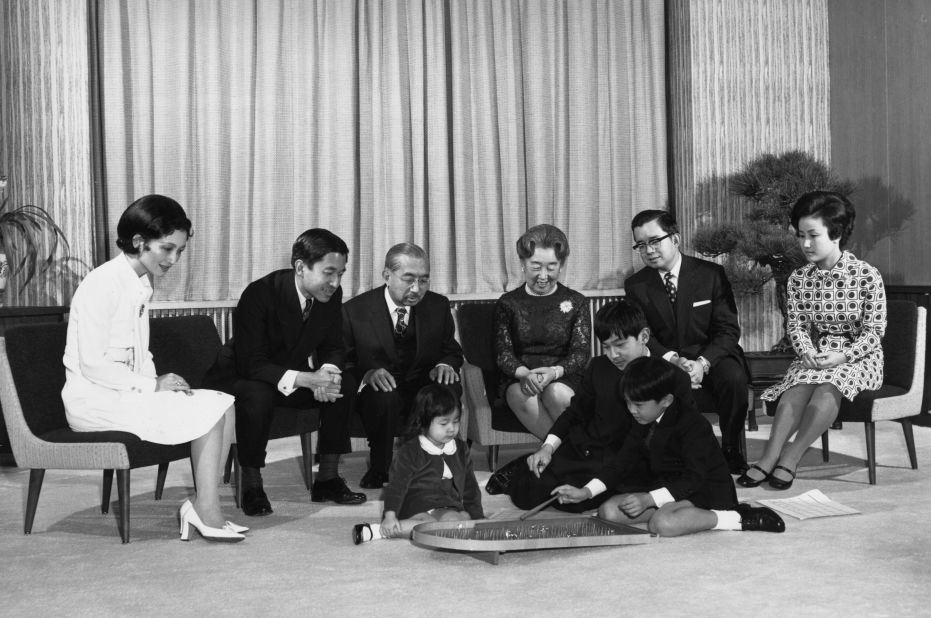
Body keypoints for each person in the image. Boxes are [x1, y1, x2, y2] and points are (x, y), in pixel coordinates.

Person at [62, 195, 245, 542]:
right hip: (94, 401)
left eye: (179, 251)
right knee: (207, 411)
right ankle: (207, 512)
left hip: (125, 395)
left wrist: (161, 383)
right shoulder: (102, 284)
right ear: (138, 242)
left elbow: (139, 354)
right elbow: (93, 363)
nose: (173, 259)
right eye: (167, 249)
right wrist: (152, 387)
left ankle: (204, 504)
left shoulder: (139, 283)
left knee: (223, 404)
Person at [204, 228, 365, 516]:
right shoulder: (260, 293)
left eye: (341, 273)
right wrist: (306, 379)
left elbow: (333, 346)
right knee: (258, 393)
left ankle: (327, 478)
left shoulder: (331, 294)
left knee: (344, 385)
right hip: (238, 376)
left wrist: (328, 373)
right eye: (329, 272)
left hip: (286, 376)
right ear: (301, 267)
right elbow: (252, 363)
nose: (335, 282)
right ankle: (252, 485)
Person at [739, 191, 886, 490]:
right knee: (797, 386)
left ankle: (791, 457)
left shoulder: (867, 276)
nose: (805, 244)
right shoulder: (798, 279)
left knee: (828, 387)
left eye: (813, 235)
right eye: (800, 235)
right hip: (818, 352)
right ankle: (769, 457)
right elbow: (797, 325)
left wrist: (843, 356)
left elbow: (874, 332)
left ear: (836, 234)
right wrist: (805, 350)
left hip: (859, 356)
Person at [590, 357, 785, 536]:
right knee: (608, 511)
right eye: (628, 402)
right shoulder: (642, 418)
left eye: (638, 404)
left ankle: (737, 517)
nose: (631, 410)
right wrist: (587, 491)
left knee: (663, 524)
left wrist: (649, 500)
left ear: (666, 400)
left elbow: (693, 479)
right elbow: (621, 462)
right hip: (666, 488)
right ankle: (676, 511)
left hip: (703, 491)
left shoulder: (693, 424)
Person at [485, 300, 646, 513]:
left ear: (644, 337)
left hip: (626, 459)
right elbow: (574, 413)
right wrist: (547, 447)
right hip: (588, 449)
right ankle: (525, 463)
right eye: (606, 347)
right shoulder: (599, 367)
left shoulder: (665, 374)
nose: (613, 354)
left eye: (620, 345)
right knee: (528, 495)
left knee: (578, 501)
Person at [624, 209, 750, 475]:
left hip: (712, 355)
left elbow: (727, 329)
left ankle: (730, 448)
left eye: (655, 241)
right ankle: (679, 453)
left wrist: (703, 363)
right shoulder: (636, 285)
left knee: (733, 378)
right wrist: (673, 359)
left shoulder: (710, 274)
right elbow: (644, 336)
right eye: (641, 245)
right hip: (666, 359)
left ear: (676, 240)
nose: (648, 250)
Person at [343, 243, 463, 489]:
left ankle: (440, 464)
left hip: (422, 381)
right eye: (408, 279)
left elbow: (451, 350)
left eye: (424, 280)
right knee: (384, 398)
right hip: (379, 388)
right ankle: (380, 468)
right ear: (387, 275)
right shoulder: (355, 310)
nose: (417, 289)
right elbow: (343, 361)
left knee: (447, 389)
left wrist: (445, 364)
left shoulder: (437, 305)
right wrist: (367, 374)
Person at [352, 384, 483, 544]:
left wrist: (478, 517)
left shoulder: (460, 448)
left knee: (461, 521)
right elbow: (396, 487)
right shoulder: (411, 450)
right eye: (443, 423)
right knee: (428, 525)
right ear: (424, 422)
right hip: (415, 505)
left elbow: (470, 486)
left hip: (447, 504)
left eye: (455, 422)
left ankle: (446, 528)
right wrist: (390, 515)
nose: (451, 429)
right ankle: (379, 531)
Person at [493, 224, 591, 439]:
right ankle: (569, 455)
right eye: (536, 266)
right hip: (521, 377)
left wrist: (553, 373)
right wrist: (524, 374)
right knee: (522, 394)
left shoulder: (577, 302)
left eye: (551, 267)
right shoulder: (508, 303)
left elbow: (580, 353)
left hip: (564, 376)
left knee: (557, 393)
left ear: (562, 265)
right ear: (523, 263)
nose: (543, 276)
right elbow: (503, 353)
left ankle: (566, 456)